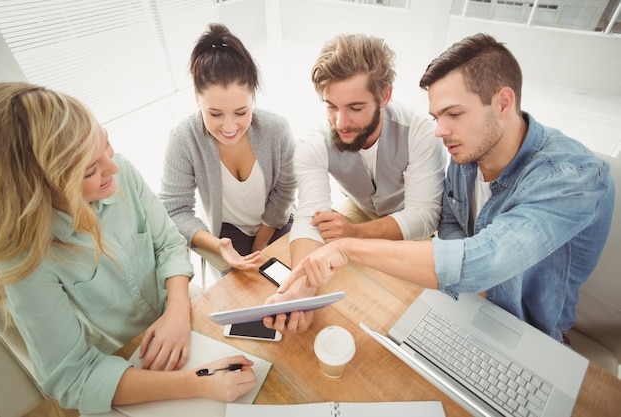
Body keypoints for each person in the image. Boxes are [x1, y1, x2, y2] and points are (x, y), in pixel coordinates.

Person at [276, 33, 615, 344]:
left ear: (502, 102)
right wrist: (304, 285)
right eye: (437, 116)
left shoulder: (574, 176)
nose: (439, 131)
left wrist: (349, 246)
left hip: (528, 332)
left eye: (453, 113)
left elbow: (483, 259)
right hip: (464, 304)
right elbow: (449, 222)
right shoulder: (467, 156)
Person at [0, 82, 256, 414]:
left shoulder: (123, 174)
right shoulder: (26, 258)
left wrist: (176, 311)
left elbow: (170, 244)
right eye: (90, 170)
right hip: (125, 364)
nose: (113, 167)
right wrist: (199, 382)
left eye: (106, 145)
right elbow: (73, 377)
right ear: (41, 189)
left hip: (182, 309)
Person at [263, 32, 446, 334]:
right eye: (331, 106)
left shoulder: (420, 131)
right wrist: (300, 289)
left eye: (355, 108)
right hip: (358, 211)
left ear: (384, 95)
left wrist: (355, 235)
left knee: (404, 306)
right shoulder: (314, 144)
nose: (340, 122)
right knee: (346, 296)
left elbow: (424, 217)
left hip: (408, 220)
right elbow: (310, 216)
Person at [160, 23, 296, 272]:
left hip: (275, 223)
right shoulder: (183, 139)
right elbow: (174, 210)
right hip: (227, 236)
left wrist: (261, 244)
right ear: (196, 98)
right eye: (215, 114)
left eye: (241, 112)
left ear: (252, 95)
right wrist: (216, 245)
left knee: (295, 283)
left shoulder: (277, 130)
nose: (230, 126)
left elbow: (286, 189)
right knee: (244, 299)